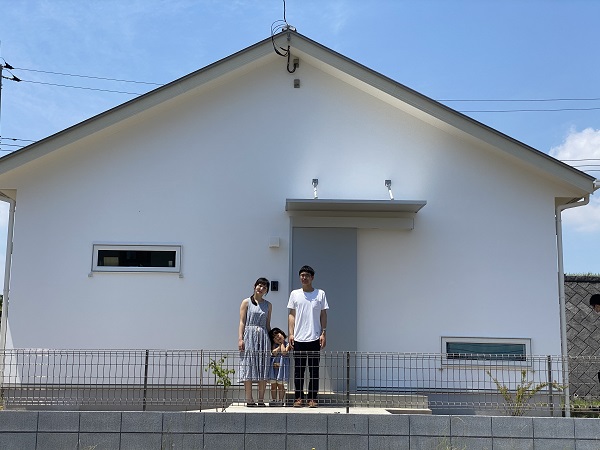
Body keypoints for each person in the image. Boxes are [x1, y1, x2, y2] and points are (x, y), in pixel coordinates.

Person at [287, 265, 328, 408]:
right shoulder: (295, 294)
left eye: (307, 275)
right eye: (302, 275)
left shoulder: (320, 294)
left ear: (312, 278)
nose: (304, 278)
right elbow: (292, 314)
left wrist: (323, 332)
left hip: (315, 337)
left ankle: (312, 398)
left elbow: (323, 314)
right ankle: (298, 398)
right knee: (298, 370)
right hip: (298, 338)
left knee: (314, 370)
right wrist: (291, 334)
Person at [238, 277, 272, 406]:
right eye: (259, 285)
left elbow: (268, 324)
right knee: (248, 365)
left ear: (266, 290)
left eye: (264, 287)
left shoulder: (268, 305)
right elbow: (242, 322)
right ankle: (249, 399)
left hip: (263, 336)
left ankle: (261, 399)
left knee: (263, 366)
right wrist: (240, 338)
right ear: (254, 286)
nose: (261, 288)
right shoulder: (246, 302)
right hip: (249, 335)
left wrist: (272, 341)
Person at [268, 327, 290, 406]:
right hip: (274, 368)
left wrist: (282, 343)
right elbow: (274, 353)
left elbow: (284, 352)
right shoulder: (273, 345)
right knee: (273, 385)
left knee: (281, 385)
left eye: (278, 335)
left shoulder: (287, 344)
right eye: (275, 337)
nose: (277, 338)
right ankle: (274, 400)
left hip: (282, 367)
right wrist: (278, 346)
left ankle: (281, 400)